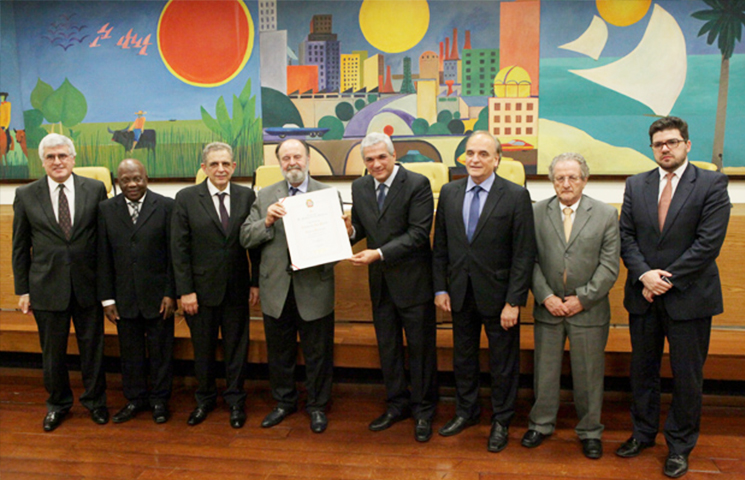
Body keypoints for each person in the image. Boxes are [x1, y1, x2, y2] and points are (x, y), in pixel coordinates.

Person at [616, 116, 730, 478]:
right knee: (643, 371)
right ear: (652, 148)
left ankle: (680, 446)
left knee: (687, 376)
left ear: (687, 145)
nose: (665, 149)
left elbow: (708, 244)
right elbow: (626, 237)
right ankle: (643, 434)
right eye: (659, 144)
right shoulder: (636, 185)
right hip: (644, 296)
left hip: (690, 298)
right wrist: (645, 275)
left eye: (672, 142)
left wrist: (666, 278)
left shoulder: (711, 183)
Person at [432, 130, 536, 452]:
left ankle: (502, 420)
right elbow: (441, 248)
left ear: (497, 159)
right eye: (470, 153)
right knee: (463, 359)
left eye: (483, 154)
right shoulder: (449, 192)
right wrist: (440, 289)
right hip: (459, 294)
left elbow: (524, 254)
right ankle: (467, 411)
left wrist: (514, 302)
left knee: (503, 363)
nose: (475, 159)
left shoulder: (516, 195)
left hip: (499, 297)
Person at [523, 152, 620, 459]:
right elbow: (529, 260)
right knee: (545, 372)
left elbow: (609, 266)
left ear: (584, 180)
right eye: (559, 178)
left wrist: (583, 298)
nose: (566, 183)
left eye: (572, 177)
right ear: (552, 181)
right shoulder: (536, 212)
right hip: (547, 307)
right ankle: (540, 424)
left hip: (589, 310)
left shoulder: (605, 214)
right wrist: (546, 296)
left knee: (589, 374)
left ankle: (590, 431)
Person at [12, 133, 109, 431]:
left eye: (62, 156)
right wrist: (23, 290)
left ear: (73, 158)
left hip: (87, 285)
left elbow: (104, 243)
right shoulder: (26, 195)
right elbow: (19, 246)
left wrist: (107, 291)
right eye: (51, 157)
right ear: (42, 162)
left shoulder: (94, 189)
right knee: (52, 353)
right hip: (46, 287)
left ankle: (95, 402)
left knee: (92, 349)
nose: (57, 162)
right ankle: (58, 404)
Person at [240, 138, 337, 434]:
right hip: (277, 290)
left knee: (318, 354)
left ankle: (317, 407)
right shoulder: (265, 195)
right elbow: (245, 236)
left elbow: (342, 236)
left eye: (297, 156)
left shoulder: (327, 194)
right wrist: (267, 221)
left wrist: (348, 230)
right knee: (279, 352)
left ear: (308, 159)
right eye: (286, 158)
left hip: (314, 288)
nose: (292, 162)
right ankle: (283, 402)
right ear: (279, 162)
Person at [348, 132, 438, 442]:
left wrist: (379, 253)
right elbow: (360, 227)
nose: (376, 164)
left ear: (393, 154)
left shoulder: (417, 184)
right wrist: (347, 231)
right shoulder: (359, 187)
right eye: (369, 159)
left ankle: (424, 409)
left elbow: (417, 234)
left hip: (413, 282)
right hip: (380, 283)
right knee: (388, 348)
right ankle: (397, 404)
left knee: (420, 349)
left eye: (381, 157)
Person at [171, 142, 260, 428]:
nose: (220, 169)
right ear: (204, 168)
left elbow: (255, 245)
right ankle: (205, 399)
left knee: (237, 349)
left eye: (226, 164)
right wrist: (185, 291)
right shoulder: (185, 198)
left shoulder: (247, 196)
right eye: (214, 164)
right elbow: (179, 249)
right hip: (199, 292)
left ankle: (236, 401)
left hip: (237, 288)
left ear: (234, 167)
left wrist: (255, 282)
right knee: (204, 349)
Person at [98, 159, 176, 424]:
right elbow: (103, 257)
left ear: (146, 177)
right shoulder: (106, 209)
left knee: (161, 353)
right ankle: (135, 399)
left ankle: (160, 401)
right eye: (125, 180)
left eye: (137, 178)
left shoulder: (166, 206)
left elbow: (173, 255)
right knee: (129, 353)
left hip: (158, 297)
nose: (132, 184)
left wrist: (170, 293)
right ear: (117, 181)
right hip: (123, 298)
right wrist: (107, 298)